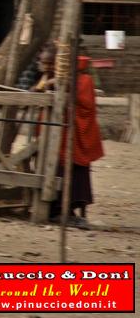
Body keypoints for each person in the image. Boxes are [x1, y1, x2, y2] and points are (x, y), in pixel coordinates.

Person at [52, 55, 105, 227]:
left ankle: (67, 210)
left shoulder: (84, 81)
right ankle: (58, 209)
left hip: (75, 135)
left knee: (73, 171)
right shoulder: (63, 78)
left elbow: (84, 103)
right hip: (64, 135)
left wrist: (64, 86)